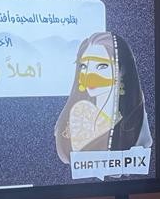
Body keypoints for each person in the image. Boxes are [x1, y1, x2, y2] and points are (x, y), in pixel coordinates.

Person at [54, 32, 152, 164]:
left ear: (122, 69)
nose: (89, 75)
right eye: (84, 66)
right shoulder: (78, 114)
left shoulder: (135, 114)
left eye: (101, 66)